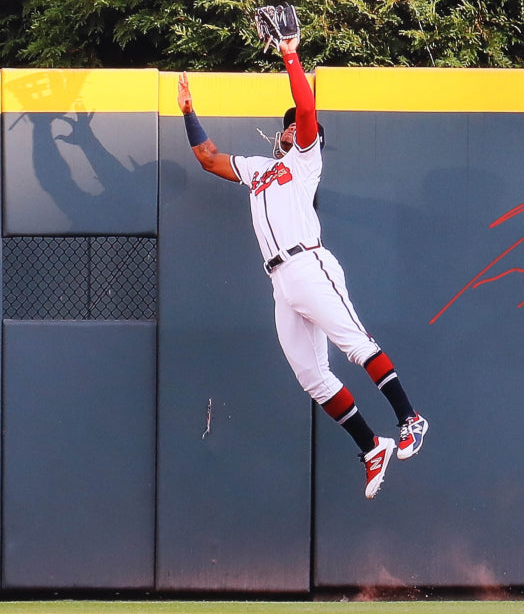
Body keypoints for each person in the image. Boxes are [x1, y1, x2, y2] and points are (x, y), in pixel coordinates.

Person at [176, 34, 428, 499]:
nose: (292, 127)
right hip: (280, 280)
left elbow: (306, 110)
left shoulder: (305, 160)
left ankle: (410, 418)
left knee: (354, 345)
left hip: (308, 263)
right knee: (312, 377)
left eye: (298, 125)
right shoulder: (256, 167)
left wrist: (290, 54)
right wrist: (189, 112)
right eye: (288, 125)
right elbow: (209, 159)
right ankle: (373, 447)